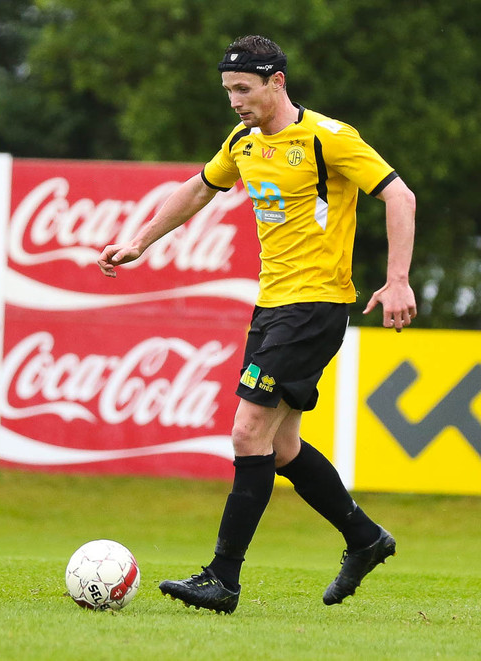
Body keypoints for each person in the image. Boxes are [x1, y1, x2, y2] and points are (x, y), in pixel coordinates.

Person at [97, 34, 417, 613]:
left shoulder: (328, 138)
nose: (235, 101)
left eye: (244, 89)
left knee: (248, 433)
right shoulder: (242, 141)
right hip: (272, 308)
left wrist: (397, 280)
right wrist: (139, 241)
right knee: (282, 445)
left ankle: (223, 578)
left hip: (314, 306)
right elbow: (199, 187)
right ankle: (365, 538)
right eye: (228, 90)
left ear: (277, 82)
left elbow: (401, 197)